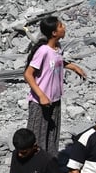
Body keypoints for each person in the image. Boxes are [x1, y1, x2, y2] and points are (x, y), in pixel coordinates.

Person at [23, 16, 86, 157]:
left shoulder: (58, 48)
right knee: (37, 136)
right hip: (40, 102)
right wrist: (41, 95)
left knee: (52, 136)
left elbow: (56, 62)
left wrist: (73, 67)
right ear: (54, 33)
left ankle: (49, 166)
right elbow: (28, 74)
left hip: (54, 100)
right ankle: (34, 168)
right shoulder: (43, 50)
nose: (64, 27)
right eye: (60, 26)